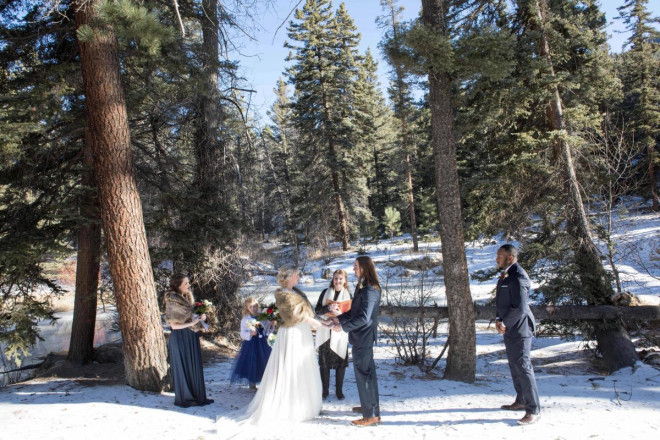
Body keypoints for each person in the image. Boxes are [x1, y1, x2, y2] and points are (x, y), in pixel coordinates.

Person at [239, 265, 323, 424]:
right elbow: (294, 316)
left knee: (303, 366)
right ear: (288, 277)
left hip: (301, 332)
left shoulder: (296, 292)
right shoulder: (283, 295)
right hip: (292, 333)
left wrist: (317, 320)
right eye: (296, 275)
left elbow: (305, 312)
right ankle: (291, 405)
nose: (298, 277)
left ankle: (306, 403)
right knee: (291, 366)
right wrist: (318, 324)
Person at [328, 256, 381, 427]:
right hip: (360, 337)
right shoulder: (361, 287)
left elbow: (364, 319)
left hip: (364, 338)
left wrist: (343, 328)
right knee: (367, 374)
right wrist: (339, 319)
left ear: (365, 268)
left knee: (364, 375)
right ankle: (370, 407)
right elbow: (354, 312)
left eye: (356, 266)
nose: (354, 269)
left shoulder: (370, 290)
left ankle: (370, 415)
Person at [495, 244, 541, 425]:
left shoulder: (519, 276)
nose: (497, 258)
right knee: (515, 365)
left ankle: (534, 409)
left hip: (520, 328)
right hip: (509, 326)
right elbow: (503, 300)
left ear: (511, 258)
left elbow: (521, 307)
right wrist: (499, 319)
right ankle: (521, 399)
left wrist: (505, 322)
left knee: (523, 365)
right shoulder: (507, 274)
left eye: (500, 255)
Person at [164, 273, 214, 408]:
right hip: (180, 337)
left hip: (191, 336)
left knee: (194, 366)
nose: (188, 285)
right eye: (185, 283)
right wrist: (192, 323)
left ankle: (198, 397)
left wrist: (199, 317)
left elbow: (190, 317)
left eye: (188, 283)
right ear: (178, 285)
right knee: (184, 367)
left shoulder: (186, 298)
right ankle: (186, 398)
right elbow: (173, 325)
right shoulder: (173, 301)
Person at [315, 269, 351, 400]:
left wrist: (339, 316)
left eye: (341, 278)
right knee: (324, 363)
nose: (338, 281)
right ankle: (324, 390)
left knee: (340, 361)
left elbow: (351, 315)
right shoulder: (325, 293)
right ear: (333, 279)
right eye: (336, 278)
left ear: (345, 280)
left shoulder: (348, 295)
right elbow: (317, 310)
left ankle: (339, 391)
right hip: (325, 330)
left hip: (339, 330)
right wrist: (328, 309)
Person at [230, 297, 273, 390]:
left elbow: (267, 327)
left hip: (262, 342)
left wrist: (269, 326)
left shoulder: (262, 316)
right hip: (251, 343)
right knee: (252, 360)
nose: (253, 308)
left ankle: (265, 380)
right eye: (250, 307)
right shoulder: (245, 319)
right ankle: (252, 382)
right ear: (247, 308)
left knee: (264, 360)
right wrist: (250, 333)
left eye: (255, 306)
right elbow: (242, 333)